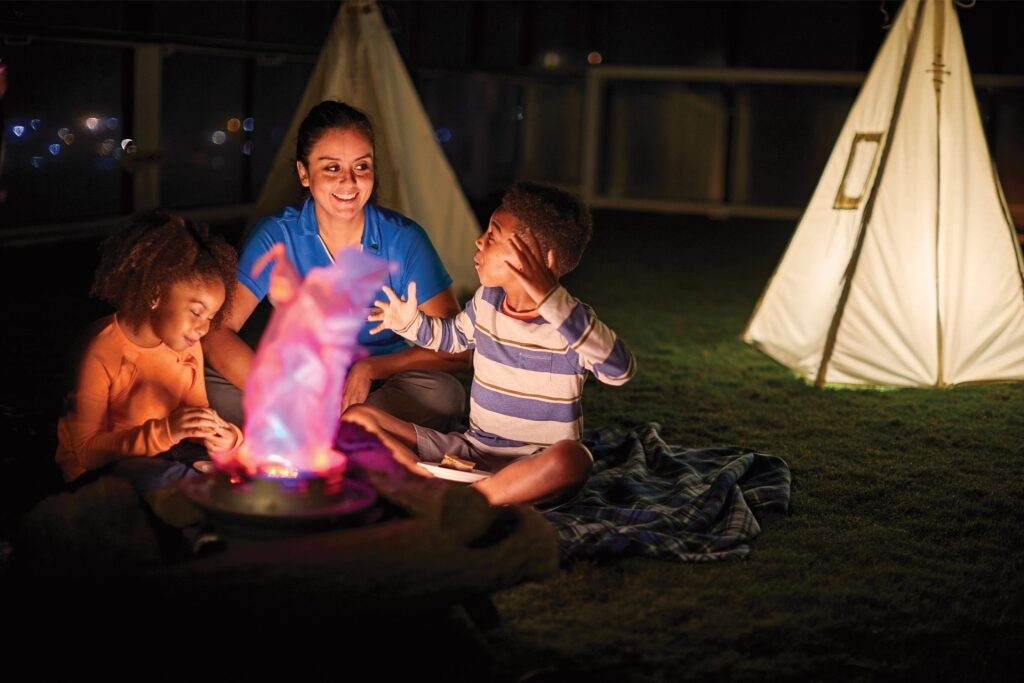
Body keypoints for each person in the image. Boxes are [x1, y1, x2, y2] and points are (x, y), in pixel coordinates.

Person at [344, 182, 636, 507]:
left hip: (533, 465)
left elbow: (619, 371)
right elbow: (453, 338)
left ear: (543, 259)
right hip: (472, 451)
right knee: (357, 419)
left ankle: (461, 501)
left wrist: (553, 301)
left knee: (573, 459)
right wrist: (411, 324)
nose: (479, 240)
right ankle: (430, 486)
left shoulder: (573, 324)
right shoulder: (488, 301)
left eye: (493, 235)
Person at [202, 100, 468, 430]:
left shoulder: (404, 239)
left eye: (361, 167)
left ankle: (330, 431)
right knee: (208, 382)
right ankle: (351, 434)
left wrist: (371, 368)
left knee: (443, 395)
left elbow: (457, 350)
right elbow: (217, 332)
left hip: (382, 385)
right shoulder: (278, 235)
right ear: (304, 172)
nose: (349, 182)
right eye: (332, 168)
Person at [56, 210, 243, 492]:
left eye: (210, 317)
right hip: (102, 467)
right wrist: (167, 431)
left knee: (235, 471)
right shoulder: (100, 349)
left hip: (166, 450)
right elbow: (87, 451)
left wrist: (225, 437)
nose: (203, 328)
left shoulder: (188, 346)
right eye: (196, 312)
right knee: (166, 481)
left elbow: (196, 416)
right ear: (156, 294)